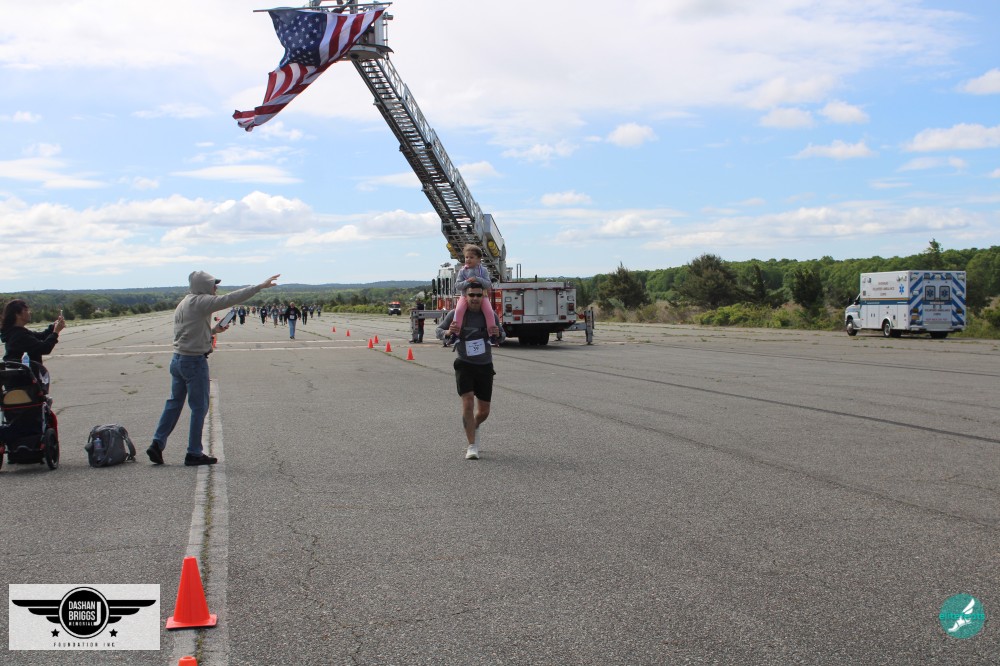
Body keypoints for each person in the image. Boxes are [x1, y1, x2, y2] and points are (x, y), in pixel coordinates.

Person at [147, 271, 280, 466]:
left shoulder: (185, 302)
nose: (215, 288)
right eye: (212, 284)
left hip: (178, 359)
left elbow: (189, 332)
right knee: (199, 407)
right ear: (203, 286)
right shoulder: (201, 301)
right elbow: (231, 298)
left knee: (174, 404)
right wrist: (259, 286)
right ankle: (194, 452)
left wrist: (214, 331)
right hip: (194, 361)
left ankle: (157, 443)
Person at [436, 278, 503, 460]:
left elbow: (502, 336)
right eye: (471, 295)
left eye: (478, 295)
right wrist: (448, 332)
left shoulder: (490, 315)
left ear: (483, 296)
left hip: (484, 365)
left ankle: (475, 425)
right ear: (465, 296)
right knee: (467, 403)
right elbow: (438, 331)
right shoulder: (455, 314)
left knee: (484, 411)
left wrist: (498, 334)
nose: (474, 298)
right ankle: (472, 446)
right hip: (464, 363)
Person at [447, 244, 499, 346]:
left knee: (489, 312)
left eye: (471, 257)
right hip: (465, 296)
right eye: (466, 257)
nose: (468, 259)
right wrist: (468, 281)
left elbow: (488, 284)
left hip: (482, 296)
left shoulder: (483, 270)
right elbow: (458, 285)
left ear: (479, 259)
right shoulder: (462, 271)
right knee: (458, 311)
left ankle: (492, 336)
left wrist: (477, 279)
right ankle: (455, 335)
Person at [1, 299, 66, 365]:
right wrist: (56, 332)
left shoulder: (16, 332)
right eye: (26, 310)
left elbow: (42, 336)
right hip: (25, 370)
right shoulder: (19, 335)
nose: (29, 312)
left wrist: (53, 327)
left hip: (21, 370)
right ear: (17, 315)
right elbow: (44, 348)